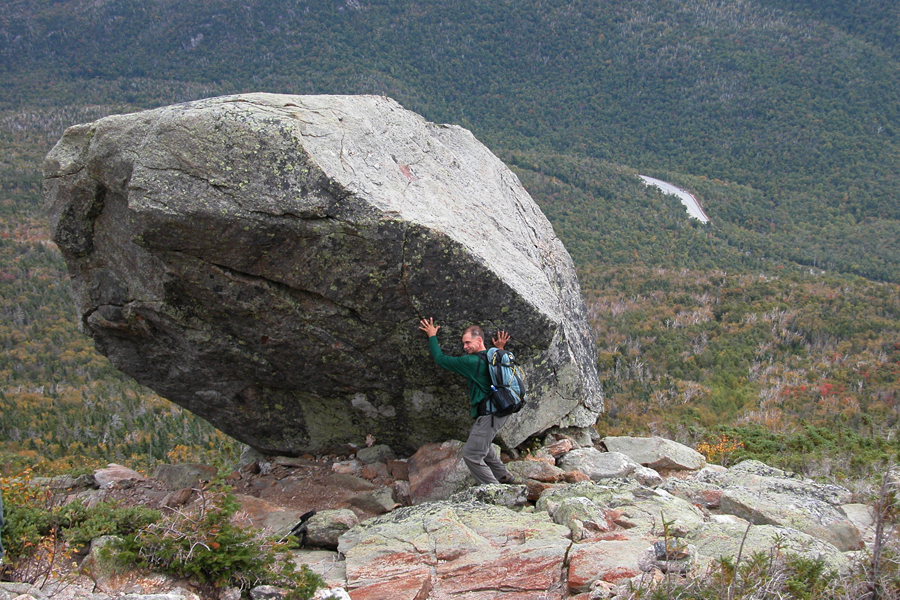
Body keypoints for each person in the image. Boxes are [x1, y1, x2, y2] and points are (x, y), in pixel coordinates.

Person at [418, 317, 518, 485]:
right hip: (501, 409)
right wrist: (500, 347)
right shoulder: (495, 355)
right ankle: (505, 477)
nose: (464, 347)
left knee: (472, 454)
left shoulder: (471, 362)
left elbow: (441, 359)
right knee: (482, 446)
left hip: (490, 413)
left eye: (467, 342)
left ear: (479, 340)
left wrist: (432, 335)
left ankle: (494, 491)